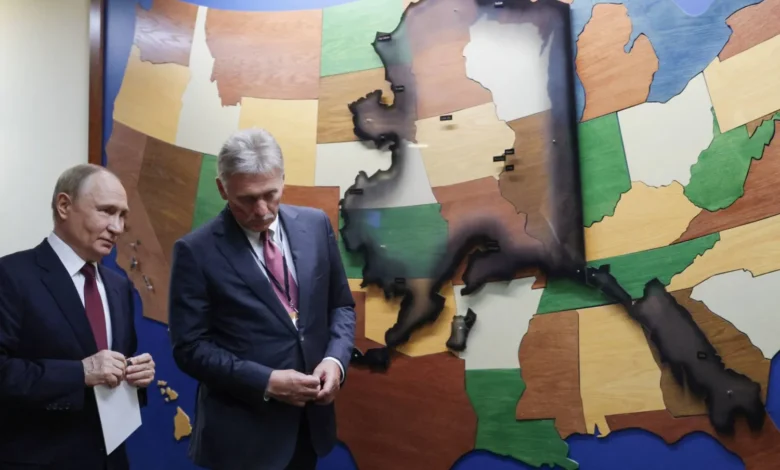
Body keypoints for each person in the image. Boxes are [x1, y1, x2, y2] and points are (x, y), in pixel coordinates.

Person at [168, 128, 356, 470]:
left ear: (283, 178)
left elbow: (340, 305)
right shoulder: (195, 252)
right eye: (247, 199)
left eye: (271, 194)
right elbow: (189, 348)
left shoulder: (316, 225)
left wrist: (335, 361)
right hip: (242, 438)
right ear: (222, 189)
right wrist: (266, 382)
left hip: (307, 427)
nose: (262, 210)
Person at [0, 164, 156, 470]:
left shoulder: (119, 286)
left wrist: (136, 376)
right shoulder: (11, 276)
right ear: (64, 206)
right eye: (107, 211)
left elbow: (113, 369)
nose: (118, 227)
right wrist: (79, 373)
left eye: (122, 215)